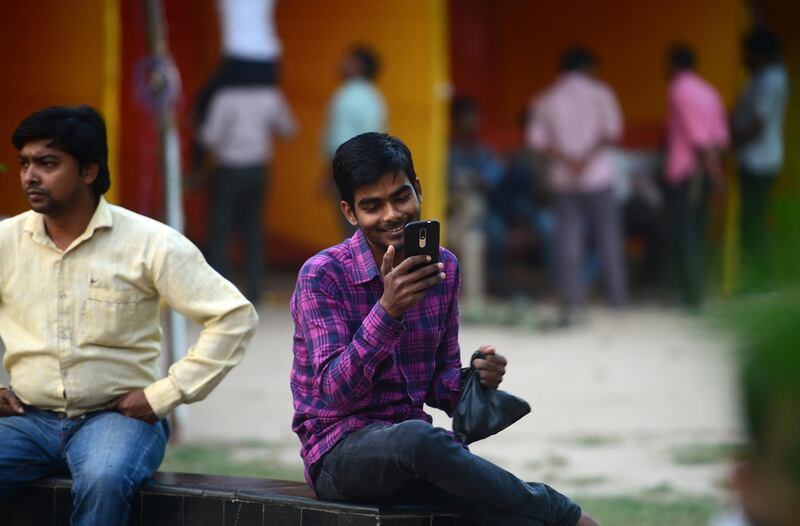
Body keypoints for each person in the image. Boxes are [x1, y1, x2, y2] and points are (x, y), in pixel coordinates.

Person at [290, 132, 598, 526]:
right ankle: (564, 511)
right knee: (420, 440)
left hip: (419, 454)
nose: (391, 215)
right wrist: (388, 310)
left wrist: (478, 377)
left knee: (519, 522)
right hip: (339, 455)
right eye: (372, 206)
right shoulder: (323, 275)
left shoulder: (444, 267)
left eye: (400, 197)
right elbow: (334, 393)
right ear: (350, 213)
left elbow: (440, 384)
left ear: (417, 190)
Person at [0, 105, 258, 525]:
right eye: (24, 163)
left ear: (88, 171)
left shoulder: (149, 242)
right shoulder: (6, 239)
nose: (30, 176)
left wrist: (165, 394)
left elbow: (234, 316)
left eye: (47, 163)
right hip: (26, 419)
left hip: (116, 419)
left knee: (103, 479)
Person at [527, 47, 627, 325]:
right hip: (598, 176)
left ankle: (574, 300)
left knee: (568, 242)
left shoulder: (546, 98)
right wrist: (585, 159)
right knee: (608, 238)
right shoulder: (601, 93)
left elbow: (537, 141)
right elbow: (612, 132)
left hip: (563, 179)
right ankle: (616, 298)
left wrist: (568, 159)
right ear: (585, 67)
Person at [199, 73, 297, 306]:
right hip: (258, 169)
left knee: (221, 230)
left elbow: (208, 137)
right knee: (253, 229)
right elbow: (289, 129)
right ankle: (255, 290)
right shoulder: (270, 95)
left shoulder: (224, 96)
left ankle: (219, 291)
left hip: (228, 169)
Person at [663, 45, 729, 308]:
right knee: (698, 233)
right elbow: (721, 138)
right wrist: (715, 171)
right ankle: (696, 292)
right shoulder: (709, 91)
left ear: (672, 64)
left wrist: (707, 171)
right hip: (707, 170)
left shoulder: (678, 89)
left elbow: (697, 137)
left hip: (686, 173)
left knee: (684, 234)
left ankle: (691, 297)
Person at [731, 29, 789, 291]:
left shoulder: (771, 80)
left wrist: (729, 141)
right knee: (750, 220)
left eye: (748, 53)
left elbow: (757, 127)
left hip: (760, 160)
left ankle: (765, 277)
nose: (744, 57)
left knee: (752, 223)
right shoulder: (761, 77)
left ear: (760, 54)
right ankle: (761, 275)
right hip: (755, 158)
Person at [323, 45, 387, 237]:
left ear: (359, 66)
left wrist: (329, 173)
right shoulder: (375, 97)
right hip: (369, 171)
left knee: (352, 231)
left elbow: (338, 142)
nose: (341, 64)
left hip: (347, 172)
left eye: (347, 60)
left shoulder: (346, 95)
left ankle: (358, 267)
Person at [447, 97, 503, 304]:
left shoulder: (484, 152)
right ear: (456, 120)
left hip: (481, 216)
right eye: (467, 118)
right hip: (451, 214)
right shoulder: (446, 152)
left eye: (475, 118)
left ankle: (496, 282)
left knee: (496, 233)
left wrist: (472, 181)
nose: (472, 123)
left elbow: (492, 179)